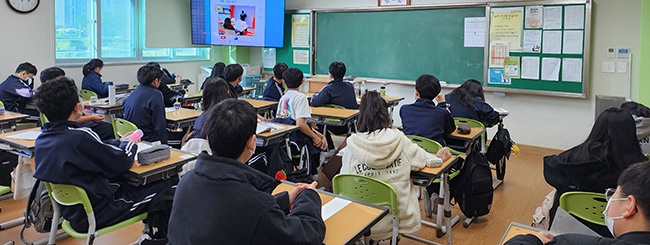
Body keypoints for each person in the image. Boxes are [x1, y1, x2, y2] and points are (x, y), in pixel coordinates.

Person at [32, 77, 176, 242]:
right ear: (76, 107)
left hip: (72, 212)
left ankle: (152, 234)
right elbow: (121, 162)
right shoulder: (79, 137)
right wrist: (130, 143)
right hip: (100, 211)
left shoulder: (43, 139)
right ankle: (157, 238)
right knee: (168, 184)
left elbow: (97, 149)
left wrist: (119, 142)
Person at [168, 99, 326, 244]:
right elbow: (306, 236)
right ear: (252, 142)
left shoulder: (187, 181)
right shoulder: (251, 202)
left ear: (208, 138)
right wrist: (309, 197)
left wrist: (284, 201)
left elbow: (233, 214)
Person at [341, 91, 452, 241]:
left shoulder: (351, 145)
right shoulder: (398, 139)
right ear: (385, 114)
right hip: (397, 217)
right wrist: (440, 158)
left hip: (361, 219)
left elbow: (344, 179)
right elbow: (424, 160)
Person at [544, 107, 648, 237]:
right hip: (616, 233)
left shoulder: (569, 159)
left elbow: (550, 166)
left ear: (597, 128)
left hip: (568, 227)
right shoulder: (639, 169)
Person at [506, 160, 650, 245]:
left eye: (613, 194)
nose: (610, 199)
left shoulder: (569, 242)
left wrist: (533, 240)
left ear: (629, 205)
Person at [274, 68, 328, 175]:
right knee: (319, 146)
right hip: (296, 139)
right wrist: (315, 137)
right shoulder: (301, 98)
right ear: (302, 81)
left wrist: (319, 135)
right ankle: (313, 175)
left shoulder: (283, 98)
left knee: (320, 137)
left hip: (283, 138)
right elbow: (300, 124)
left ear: (284, 82)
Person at [39, 67, 115, 140]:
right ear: (47, 82)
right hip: (72, 125)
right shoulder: (55, 98)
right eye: (60, 79)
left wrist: (91, 116)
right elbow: (69, 119)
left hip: (71, 124)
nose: (63, 81)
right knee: (107, 128)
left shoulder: (60, 93)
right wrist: (92, 118)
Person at [310, 61, 359, 150]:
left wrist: (315, 95)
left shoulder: (328, 89)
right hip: (351, 124)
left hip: (334, 125)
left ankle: (329, 148)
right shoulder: (349, 86)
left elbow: (314, 102)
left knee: (318, 121)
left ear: (330, 75)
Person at [400, 74, 455, 146]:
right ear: (437, 94)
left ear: (417, 93)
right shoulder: (442, 113)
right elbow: (450, 130)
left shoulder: (404, 109)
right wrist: (442, 104)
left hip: (411, 150)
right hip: (435, 153)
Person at [123, 65, 168, 144]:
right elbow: (160, 124)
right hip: (148, 139)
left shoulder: (134, 92)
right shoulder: (156, 94)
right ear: (156, 81)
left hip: (134, 137)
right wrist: (164, 145)